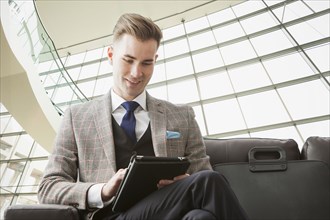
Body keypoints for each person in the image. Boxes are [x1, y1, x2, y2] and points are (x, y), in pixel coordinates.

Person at [38, 13, 249, 220]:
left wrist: (186, 182)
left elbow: (202, 172)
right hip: (112, 216)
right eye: (128, 60)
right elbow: (48, 188)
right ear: (111, 55)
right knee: (207, 183)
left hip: (172, 211)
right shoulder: (77, 117)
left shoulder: (182, 116)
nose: (136, 73)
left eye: (146, 63)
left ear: (155, 60)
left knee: (201, 216)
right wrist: (102, 190)